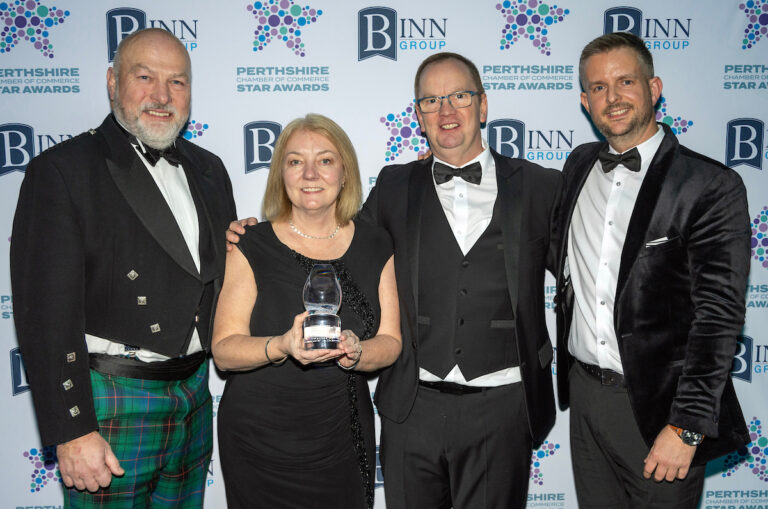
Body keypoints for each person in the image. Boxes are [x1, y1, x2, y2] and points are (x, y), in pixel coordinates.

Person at [10, 28, 237, 507]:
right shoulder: (63, 170)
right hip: (113, 401)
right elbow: (46, 317)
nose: (161, 95)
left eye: (177, 81)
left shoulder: (211, 170)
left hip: (196, 395)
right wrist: (72, 431)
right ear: (112, 82)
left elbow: (209, 278)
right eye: (144, 77)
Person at [554, 32, 750, 508]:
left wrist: (687, 426)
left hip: (660, 409)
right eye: (598, 87)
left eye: (626, 81)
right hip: (584, 398)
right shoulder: (578, 165)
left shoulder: (709, 185)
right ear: (584, 100)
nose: (613, 97)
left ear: (654, 87)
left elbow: (719, 318)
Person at [212, 114, 401, 509]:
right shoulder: (251, 244)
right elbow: (225, 351)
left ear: (345, 172)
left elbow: (391, 341)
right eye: (296, 161)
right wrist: (282, 345)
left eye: (326, 160)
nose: (310, 173)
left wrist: (357, 350)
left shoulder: (377, 243)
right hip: (258, 442)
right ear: (281, 173)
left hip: (342, 439)